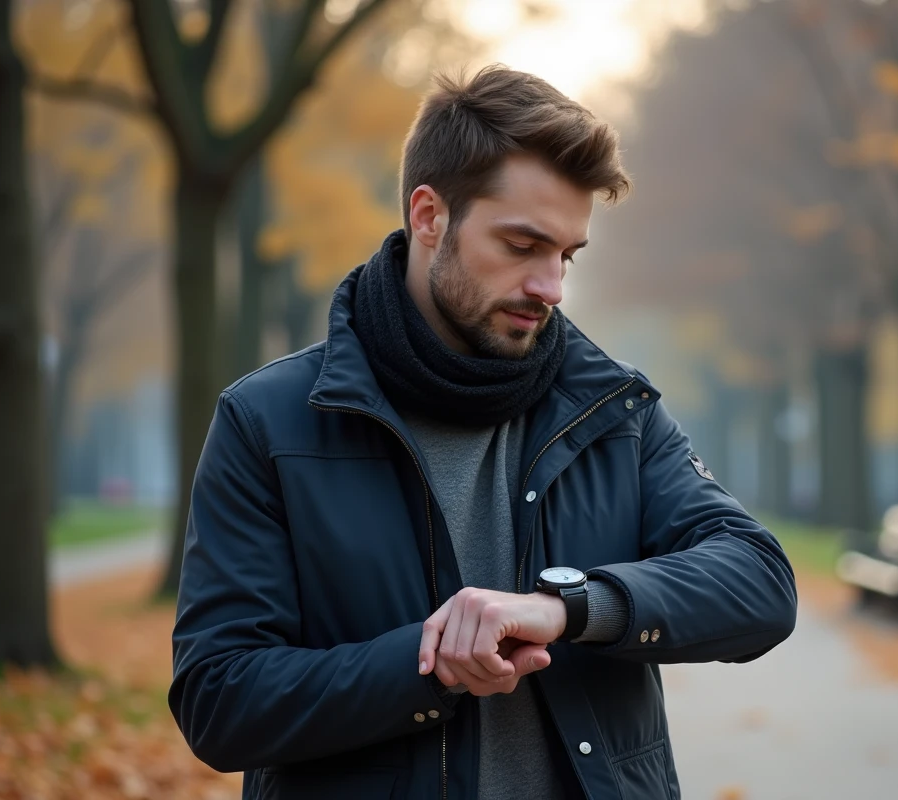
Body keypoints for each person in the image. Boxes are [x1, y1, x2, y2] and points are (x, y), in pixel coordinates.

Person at [168, 65, 797, 800]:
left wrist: (570, 608)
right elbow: (219, 699)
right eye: (523, 246)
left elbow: (759, 582)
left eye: (566, 255)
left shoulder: (613, 408)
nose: (551, 288)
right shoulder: (268, 420)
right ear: (429, 217)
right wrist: (431, 661)